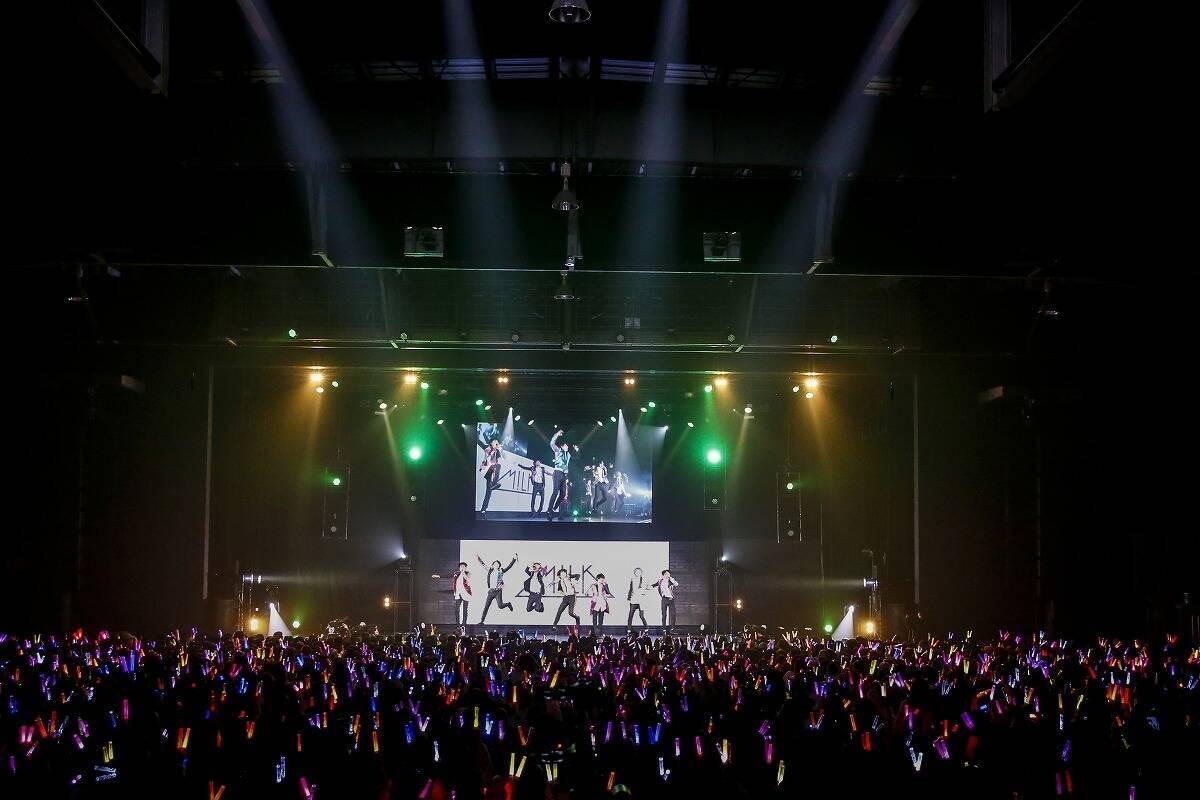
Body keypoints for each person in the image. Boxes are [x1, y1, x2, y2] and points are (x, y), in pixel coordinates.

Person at [476, 553, 517, 624]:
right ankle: (482, 621)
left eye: (497, 564)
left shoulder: (501, 571)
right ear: (492, 565)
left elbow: (509, 566)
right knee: (486, 607)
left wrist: (514, 559)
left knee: (500, 606)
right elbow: (483, 564)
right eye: (495, 564)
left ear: (499, 566)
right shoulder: (489, 570)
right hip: (491, 592)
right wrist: (478, 558)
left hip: (498, 592)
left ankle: (508, 604)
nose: (496, 565)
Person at [546, 430, 571, 521]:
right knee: (555, 492)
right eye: (566, 445)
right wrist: (557, 434)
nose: (567, 447)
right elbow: (552, 443)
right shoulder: (558, 450)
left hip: (564, 475)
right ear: (562, 446)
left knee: (563, 493)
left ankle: (553, 508)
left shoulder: (568, 455)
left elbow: (568, 463)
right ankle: (549, 510)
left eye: (568, 446)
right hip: (557, 473)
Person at [478, 439, 504, 514]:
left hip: (493, 472)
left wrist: (500, 448)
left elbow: (502, 457)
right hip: (487, 469)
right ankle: (494, 483)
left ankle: (483, 510)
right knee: (497, 466)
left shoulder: (497, 451)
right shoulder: (487, 447)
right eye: (495, 442)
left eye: (497, 443)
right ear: (491, 443)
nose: (496, 444)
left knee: (488, 492)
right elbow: (480, 443)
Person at [451, 561, 472, 627]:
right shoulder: (456, 574)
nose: (462, 568)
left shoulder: (468, 573)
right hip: (458, 594)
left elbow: (467, 579)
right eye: (460, 567)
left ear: (465, 568)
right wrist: (439, 576)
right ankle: (458, 625)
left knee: (465, 610)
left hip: (466, 594)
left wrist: (463, 573)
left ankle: (464, 624)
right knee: (457, 610)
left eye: (463, 566)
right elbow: (449, 575)